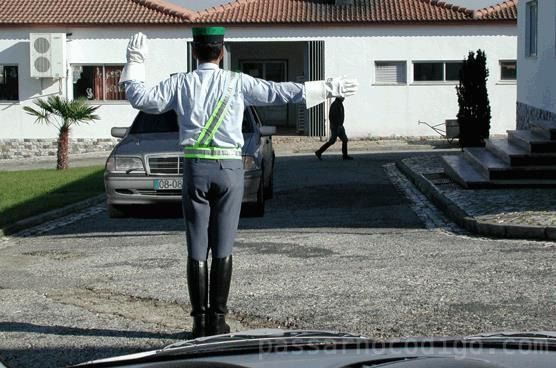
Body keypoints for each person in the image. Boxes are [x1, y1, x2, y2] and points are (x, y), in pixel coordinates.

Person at [119, 28, 358, 338]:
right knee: (223, 245)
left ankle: (198, 323)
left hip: (195, 167)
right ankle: (218, 321)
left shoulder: (180, 83)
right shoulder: (238, 82)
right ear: (222, 52)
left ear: (195, 52)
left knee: (195, 246)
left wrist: (134, 62)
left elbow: (140, 99)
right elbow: (281, 91)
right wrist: (326, 88)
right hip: (230, 168)